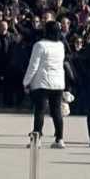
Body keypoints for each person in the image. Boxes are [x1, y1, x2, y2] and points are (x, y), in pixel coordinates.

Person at [22, 20, 67, 148]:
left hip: (42, 82)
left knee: (39, 111)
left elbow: (33, 66)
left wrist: (26, 82)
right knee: (56, 111)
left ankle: (37, 138)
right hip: (58, 82)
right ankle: (59, 139)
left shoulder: (39, 45)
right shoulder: (60, 45)